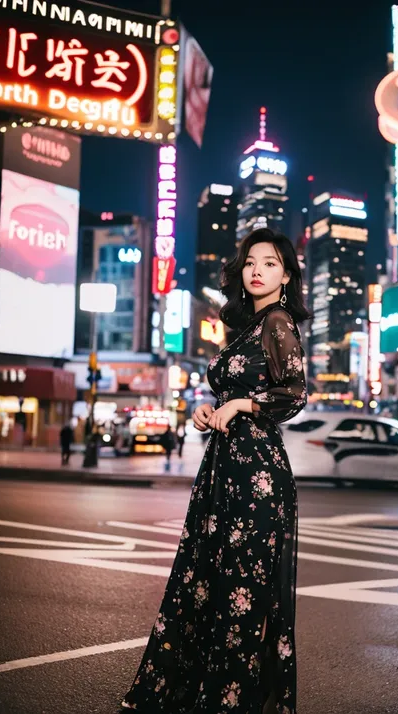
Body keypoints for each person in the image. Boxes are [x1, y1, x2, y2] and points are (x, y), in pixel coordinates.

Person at [120, 227, 309, 714]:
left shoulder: (279, 322)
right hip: (225, 469)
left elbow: (294, 394)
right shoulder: (249, 327)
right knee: (210, 582)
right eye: (249, 262)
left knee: (240, 590)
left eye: (268, 263)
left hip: (256, 474)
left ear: (285, 275)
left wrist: (243, 403)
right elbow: (234, 397)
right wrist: (211, 410)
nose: (256, 270)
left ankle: (233, 701)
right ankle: (208, 692)